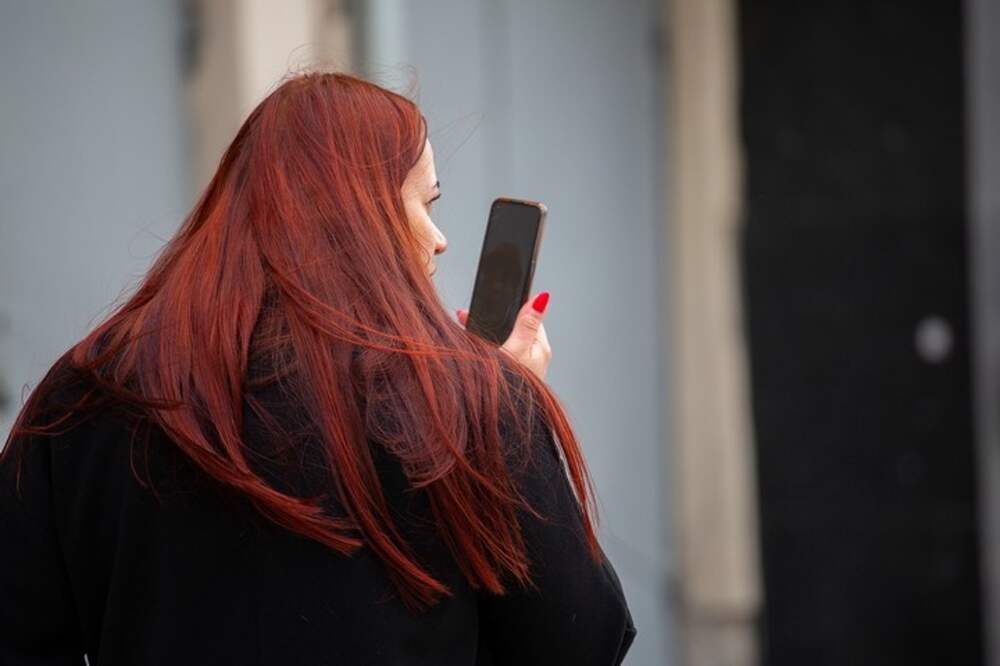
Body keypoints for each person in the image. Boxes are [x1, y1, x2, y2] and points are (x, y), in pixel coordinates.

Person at [0, 71, 636, 665]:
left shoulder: (88, 392)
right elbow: (580, 641)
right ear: (360, 218)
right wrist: (508, 405)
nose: (439, 239)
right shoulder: (466, 400)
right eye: (425, 203)